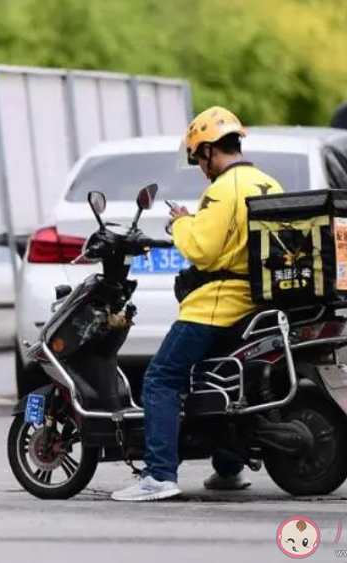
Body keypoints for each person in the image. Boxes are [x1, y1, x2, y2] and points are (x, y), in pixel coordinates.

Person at [111, 106, 284, 501]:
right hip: (257, 303)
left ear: (209, 151)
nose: (201, 167)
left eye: (200, 158)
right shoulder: (268, 184)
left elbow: (202, 251)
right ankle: (228, 469)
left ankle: (159, 476)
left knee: (161, 378)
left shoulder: (223, 189)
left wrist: (181, 222)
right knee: (220, 380)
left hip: (219, 303)